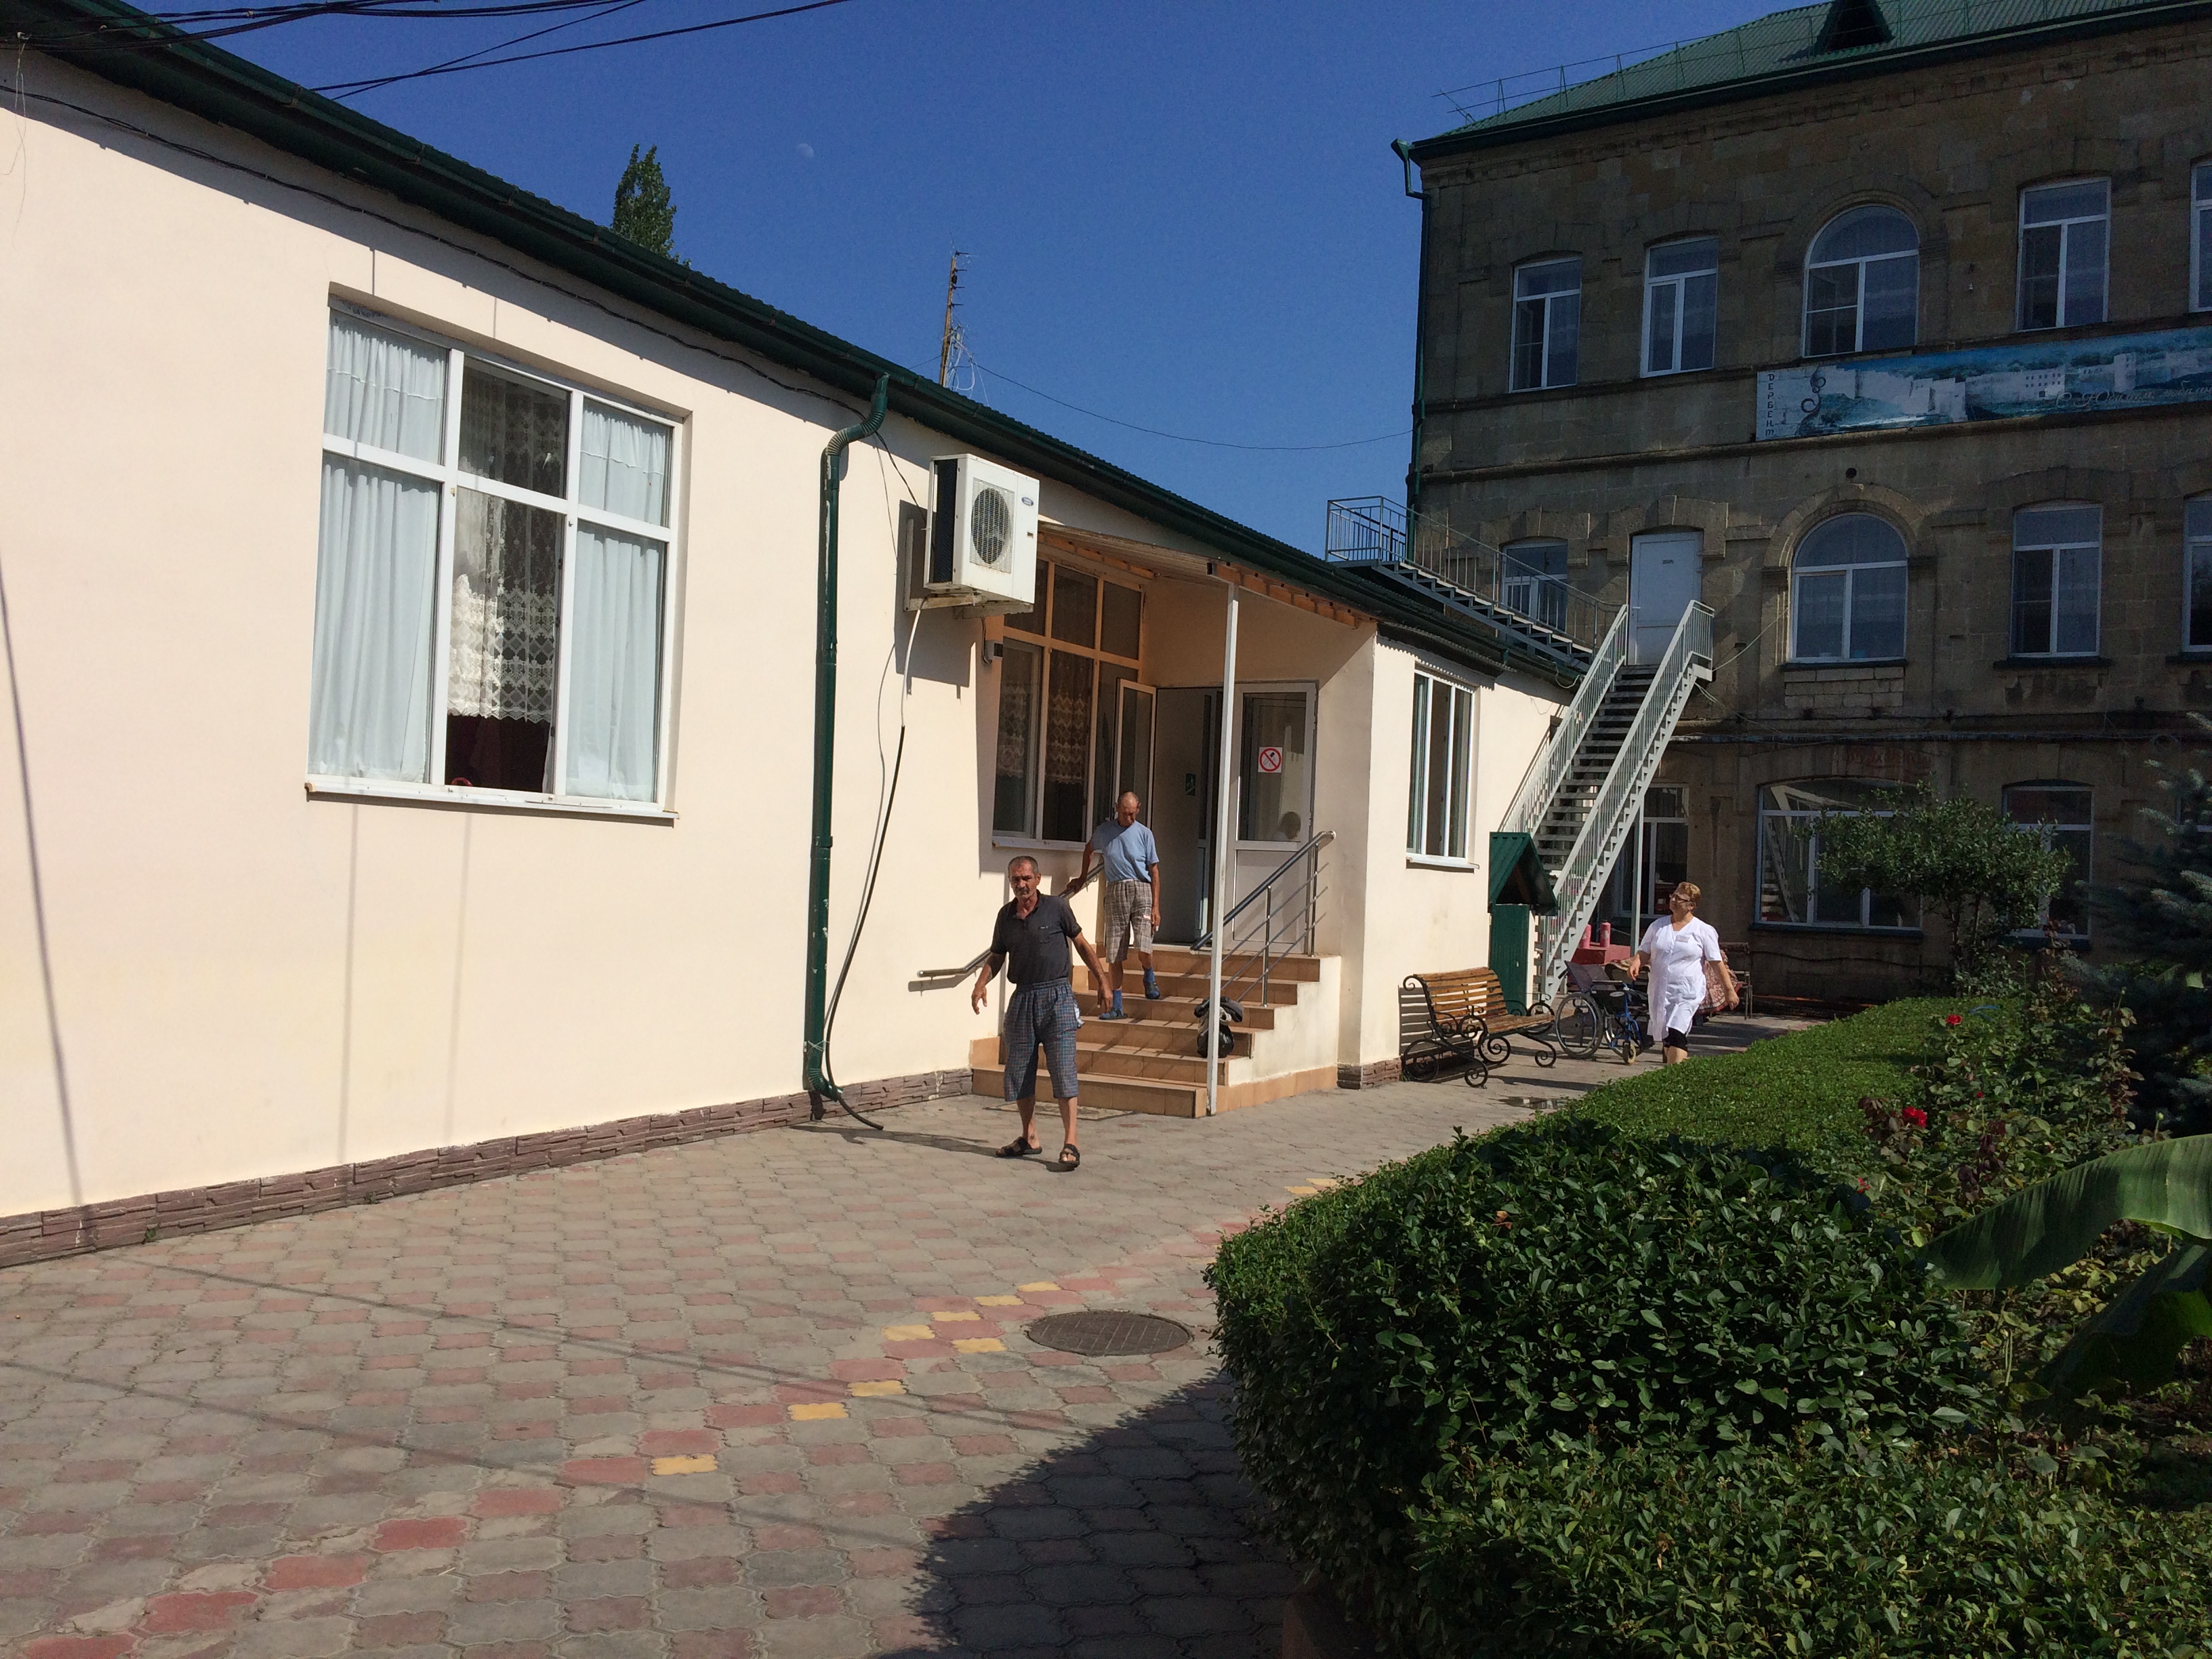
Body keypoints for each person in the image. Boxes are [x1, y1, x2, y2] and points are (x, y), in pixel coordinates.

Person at [971, 855, 1112, 1170]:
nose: (1021, 885)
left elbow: (1082, 944)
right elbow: (997, 955)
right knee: (1020, 1070)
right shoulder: (1006, 916)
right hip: (1023, 997)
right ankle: (1029, 1137)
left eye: (1026, 878)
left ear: (1037, 878)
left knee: (1063, 1068)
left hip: (1057, 996)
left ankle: (1071, 1142)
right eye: (1015, 880)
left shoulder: (1057, 908)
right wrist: (981, 983)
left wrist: (1103, 981)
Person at [1626, 881, 1737, 1066]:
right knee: (1667, 1034)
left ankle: (1674, 1075)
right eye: (1673, 896)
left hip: (1687, 992)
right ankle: (1672, 1060)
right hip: (1660, 990)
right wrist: (1636, 962)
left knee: (1677, 1030)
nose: (1673, 900)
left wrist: (1729, 990)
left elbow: (1717, 963)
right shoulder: (1658, 926)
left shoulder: (1703, 930)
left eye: (1679, 898)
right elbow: (1645, 950)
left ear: (1691, 906)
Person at [1078, 790, 1161, 1020]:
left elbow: (1154, 870)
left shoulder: (1145, 834)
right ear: (1117, 809)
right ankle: (1117, 1006)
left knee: (1143, 945)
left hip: (1142, 889)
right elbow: (1089, 850)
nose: (1129, 818)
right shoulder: (1105, 832)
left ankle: (1149, 975)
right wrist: (1082, 877)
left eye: (1133, 814)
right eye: (1125, 813)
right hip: (1116, 890)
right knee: (1114, 952)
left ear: (1138, 809)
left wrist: (1156, 907)